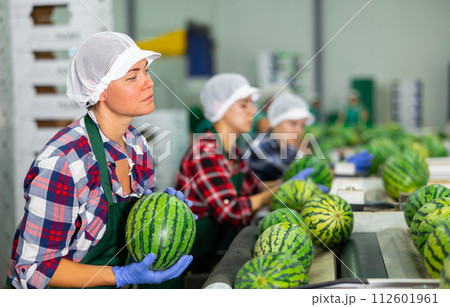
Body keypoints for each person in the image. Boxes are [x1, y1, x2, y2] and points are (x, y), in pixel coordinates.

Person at [7, 32, 193, 289]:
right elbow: (32, 269)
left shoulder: (137, 145)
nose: (148, 83)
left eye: (145, 71)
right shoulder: (64, 162)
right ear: (99, 90)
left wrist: (163, 213)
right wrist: (119, 275)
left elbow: (134, 234)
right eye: (132, 77)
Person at [174, 74, 312, 273]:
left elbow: (253, 188)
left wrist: (289, 183)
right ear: (220, 108)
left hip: (208, 256)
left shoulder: (232, 151)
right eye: (244, 104)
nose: (253, 111)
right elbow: (231, 212)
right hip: (181, 265)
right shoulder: (205, 151)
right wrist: (278, 190)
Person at [246, 92, 373, 182]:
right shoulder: (261, 145)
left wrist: (341, 165)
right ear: (276, 122)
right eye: (293, 123)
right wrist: (346, 168)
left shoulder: (286, 147)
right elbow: (296, 176)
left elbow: (310, 167)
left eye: (302, 125)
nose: (299, 130)